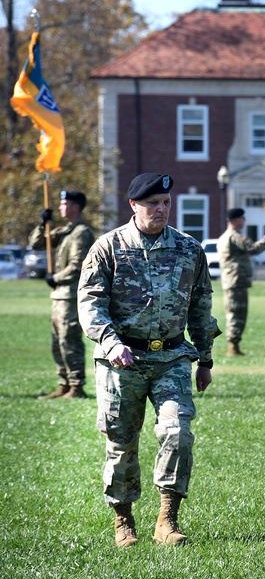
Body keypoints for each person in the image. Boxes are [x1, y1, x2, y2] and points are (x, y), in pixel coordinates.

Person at [77, 173, 218, 548]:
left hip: (171, 357)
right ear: (134, 206)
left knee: (177, 432)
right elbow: (90, 303)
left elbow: (201, 306)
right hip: (121, 360)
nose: (161, 210)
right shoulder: (108, 248)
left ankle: (167, 519)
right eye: (153, 203)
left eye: (166, 203)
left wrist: (205, 358)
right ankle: (124, 521)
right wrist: (110, 342)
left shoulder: (189, 249)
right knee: (122, 443)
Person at [28, 190, 95, 399]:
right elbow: (36, 243)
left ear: (75, 207)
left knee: (69, 339)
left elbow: (77, 265)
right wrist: (43, 223)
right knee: (57, 341)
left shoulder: (81, 232)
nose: (60, 207)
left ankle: (76, 386)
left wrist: (54, 278)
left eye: (64, 204)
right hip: (59, 297)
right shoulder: (66, 231)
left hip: (70, 296)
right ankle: (64, 384)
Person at [217, 208, 265, 356]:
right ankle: (233, 347)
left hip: (231, 281)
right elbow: (255, 249)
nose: (244, 220)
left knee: (233, 312)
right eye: (242, 218)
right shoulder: (235, 237)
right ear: (235, 220)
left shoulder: (224, 237)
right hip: (237, 281)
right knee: (237, 313)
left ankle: (234, 345)